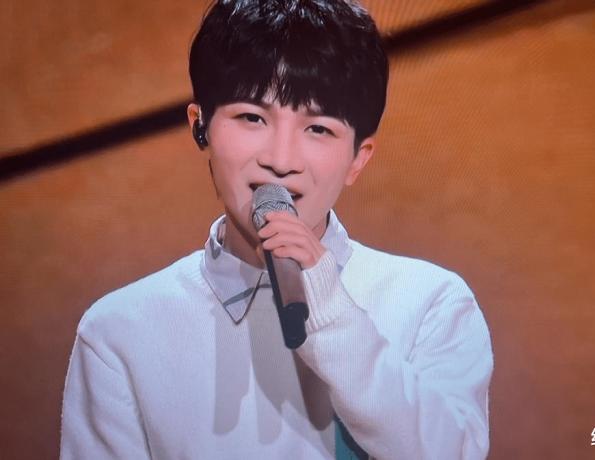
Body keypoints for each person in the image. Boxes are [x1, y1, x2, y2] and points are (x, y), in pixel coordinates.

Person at [59, 0, 494, 458]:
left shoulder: (428, 302)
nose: (281, 160)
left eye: (318, 129)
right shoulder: (120, 331)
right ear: (200, 126)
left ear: (358, 159)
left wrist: (328, 308)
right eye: (252, 117)